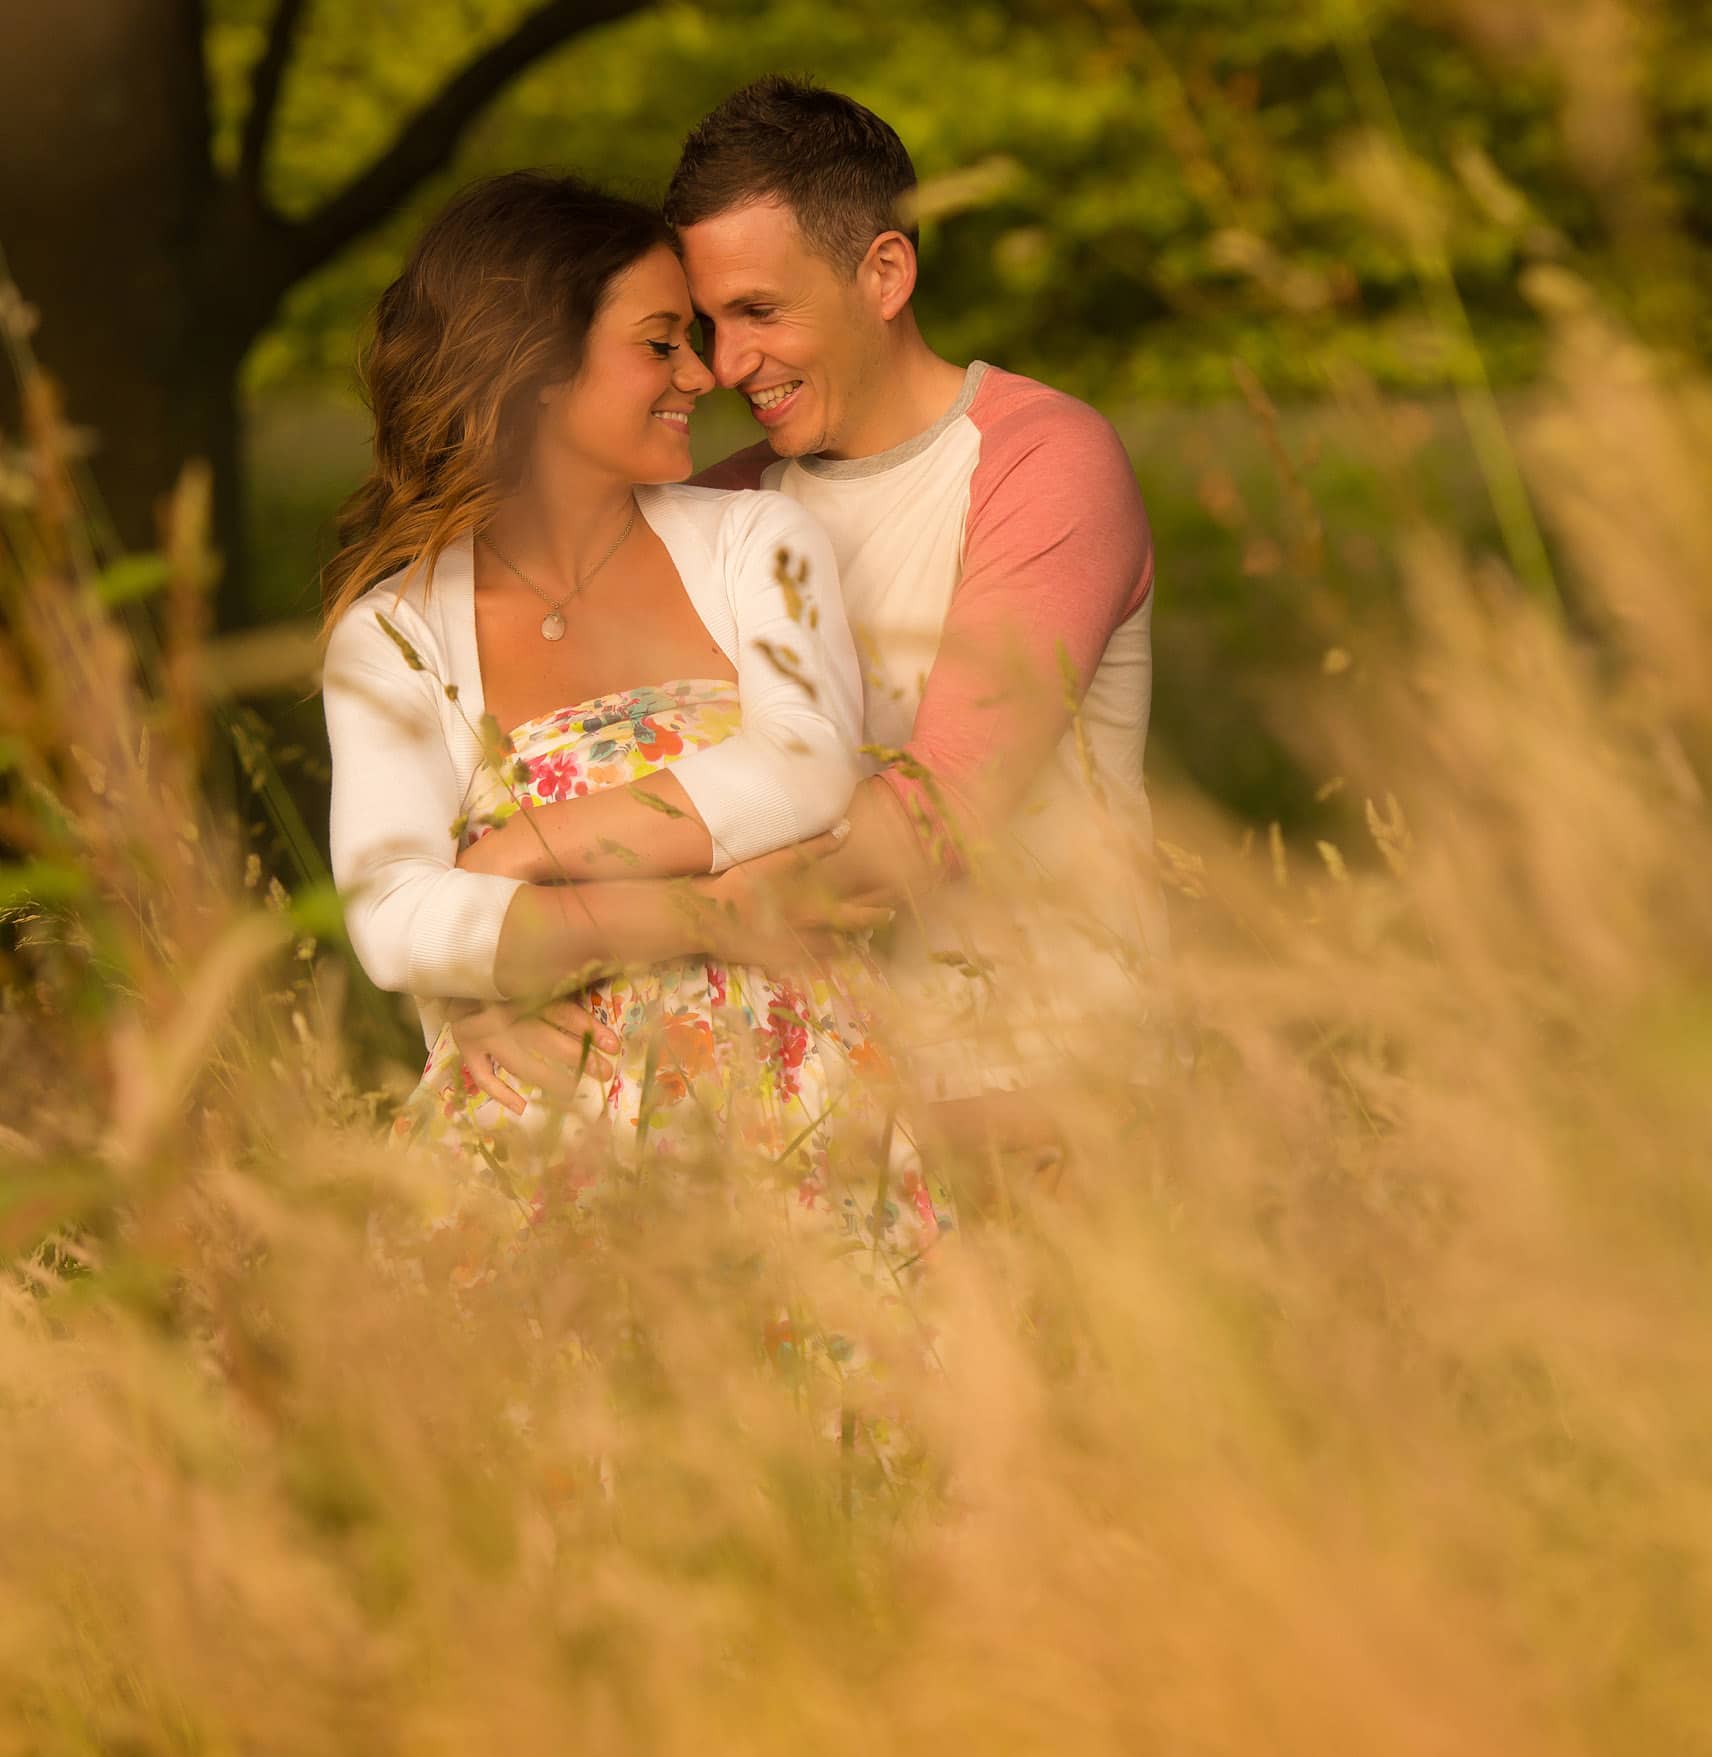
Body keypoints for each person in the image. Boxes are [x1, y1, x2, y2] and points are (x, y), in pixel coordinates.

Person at [450, 82, 1164, 1167]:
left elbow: (929, 822)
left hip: (1038, 1086)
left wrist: (555, 925)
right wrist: (483, 976)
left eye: (759, 312)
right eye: (701, 326)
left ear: (883, 273)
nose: (726, 366)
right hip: (803, 1102)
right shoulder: (723, 513)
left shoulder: (1039, 461)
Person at [321, 170, 939, 1270]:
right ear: (538, 370)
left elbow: (800, 768)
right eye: (660, 343)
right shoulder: (396, 634)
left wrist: (516, 856)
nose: (702, 374)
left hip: (797, 1108)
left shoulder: (755, 545)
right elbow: (391, 919)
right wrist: (706, 916)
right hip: (541, 1142)